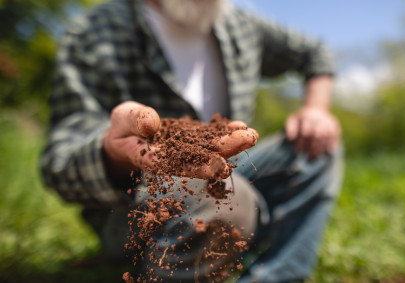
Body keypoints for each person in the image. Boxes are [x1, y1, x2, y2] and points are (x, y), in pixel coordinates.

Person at [40, 0, 343, 282]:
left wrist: (316, 110)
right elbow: (59, 162)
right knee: (227, 200)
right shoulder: (96, 32)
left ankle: (276, 274)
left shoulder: (237, 23)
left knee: (315, 146)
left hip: (230, 169)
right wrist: (115, 152)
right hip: (137, 198)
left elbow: (314, 51)